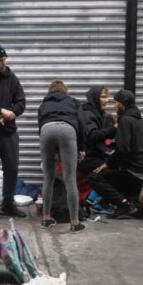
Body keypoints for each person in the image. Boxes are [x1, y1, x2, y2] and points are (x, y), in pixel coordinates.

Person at [88, 90, 143, 218]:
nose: (114, 106)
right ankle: (139, 209)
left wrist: (106, 164)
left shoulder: (125, 120)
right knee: (120, 193)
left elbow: (123, 150)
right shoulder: (137, 119)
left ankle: (125, 205)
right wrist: (111, 145)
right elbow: (128, 144)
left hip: (133, 171)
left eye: (116, 103)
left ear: (123, 104)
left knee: (94, 177)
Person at [37, 80, 87, 233]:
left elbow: (40, 124)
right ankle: (74, 222)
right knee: (69, 177)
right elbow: (82, 124)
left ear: (50, 91)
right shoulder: (73, 102)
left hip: (46, 130)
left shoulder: (44, 104)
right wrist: (82, 148)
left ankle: (46, 219)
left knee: (48, 177)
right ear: (65, 91)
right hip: (67, 130)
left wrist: (52, 147)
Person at [0, 46, 27, 217]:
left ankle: (7, 204)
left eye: (4, 60)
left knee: (12, 167)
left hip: (8, 131)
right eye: (0, 60)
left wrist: (13, 112)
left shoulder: (11, 78)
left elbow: (21, 102)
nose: (4, 63)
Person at [78, 87, 116, 180]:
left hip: (99, 155)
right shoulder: (88, 114)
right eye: (103, 97)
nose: (106, 100)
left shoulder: (100, 114)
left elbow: (105, 135)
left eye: (107, 97)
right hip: (89, 158)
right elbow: (92, 136)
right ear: (94, 98)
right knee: (114, 175)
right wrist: (113, 128)